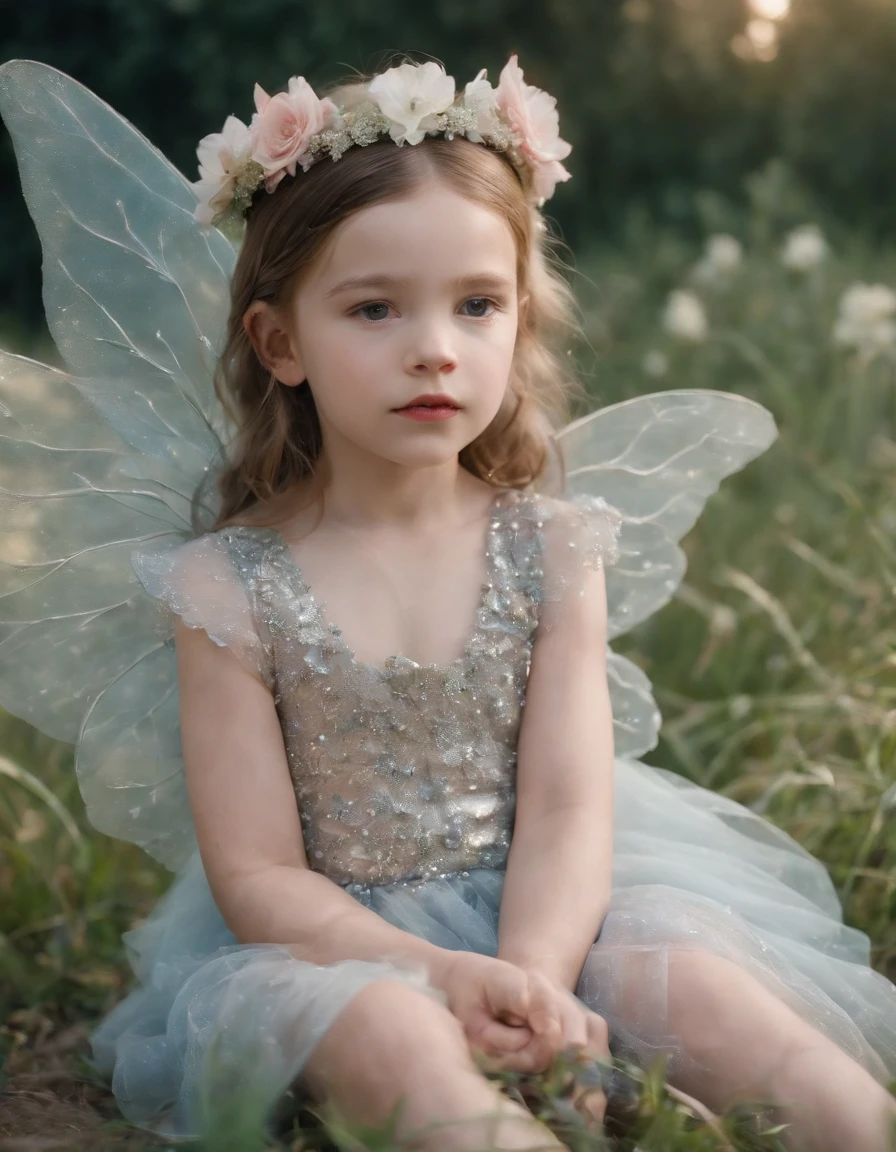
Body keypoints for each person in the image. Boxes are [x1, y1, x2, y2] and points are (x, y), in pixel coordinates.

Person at [0, 52, 894, 1152]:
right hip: (330, 950)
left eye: (477, 305)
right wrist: (441, 973)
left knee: (707, 996)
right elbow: (260, 875)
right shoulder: (225, 587)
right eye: (373, 309)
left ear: (519, 320)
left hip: (556, 911)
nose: (433, 348)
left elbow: (567, 809)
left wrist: (528, 977)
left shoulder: (551, 547)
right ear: (280, 343)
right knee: (399, 1043)